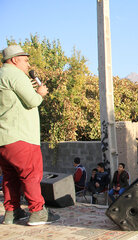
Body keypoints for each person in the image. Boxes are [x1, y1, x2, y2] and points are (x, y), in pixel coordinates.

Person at [0, 45, 60, 225]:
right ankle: (37, 212)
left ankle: (12, 212)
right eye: (25, 60)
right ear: (14, 60)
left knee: (10, 178)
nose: (28, 64)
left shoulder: (2, 75)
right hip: (21, 136)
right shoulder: (15, 74)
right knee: (31, 175)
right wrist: (40, 93)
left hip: (4, 138)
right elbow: (33, 101)